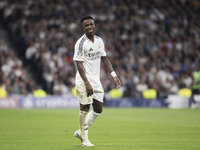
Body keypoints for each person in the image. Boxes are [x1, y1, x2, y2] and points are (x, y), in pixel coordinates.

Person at [73, 15, 121, 147]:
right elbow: (79, 64)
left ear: (94, 25)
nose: (89, 27)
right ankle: (85, 140)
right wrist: (87, 83)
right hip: (84, 81)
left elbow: (105, 59)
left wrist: (114, 75)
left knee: (98, 109)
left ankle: (79, 131)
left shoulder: (99, 40)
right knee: (85, 108)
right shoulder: (80, 43)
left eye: (91, 24)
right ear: (82, 28)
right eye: (86, 25)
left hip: (96, 80)